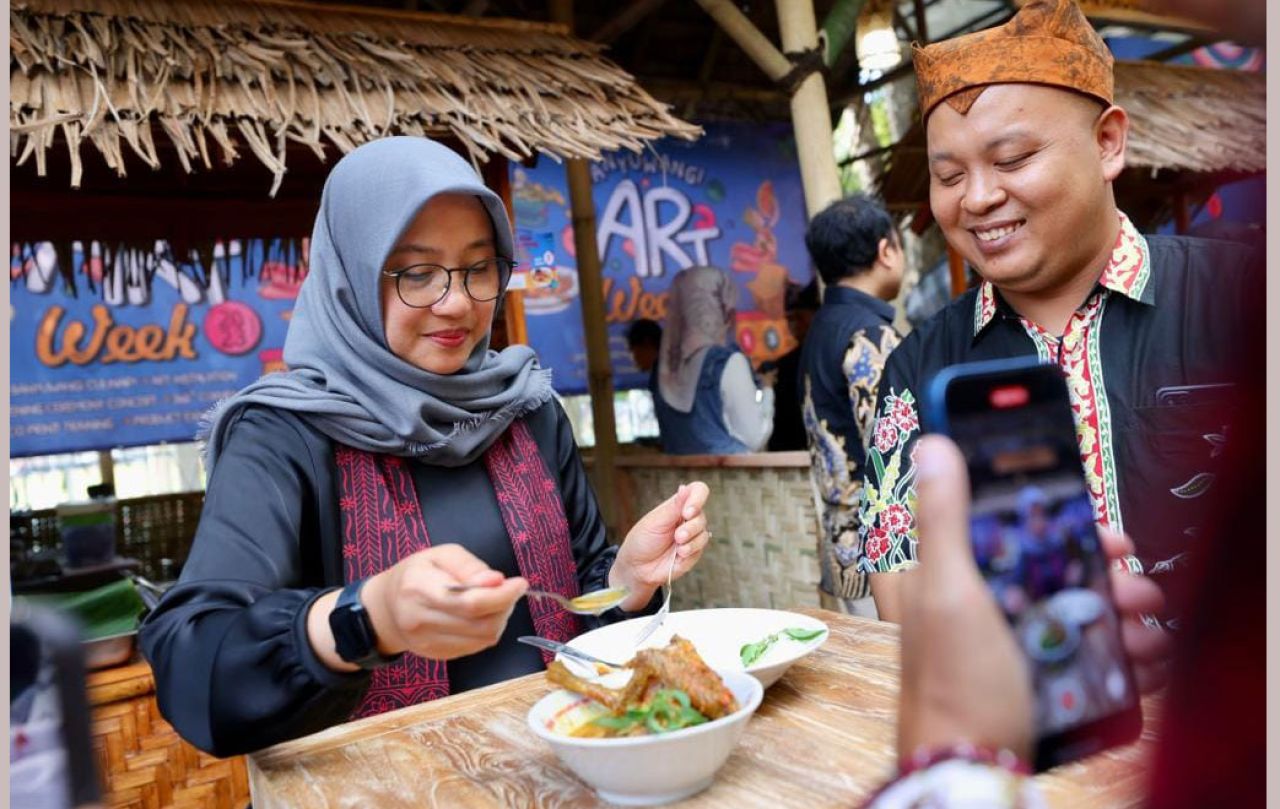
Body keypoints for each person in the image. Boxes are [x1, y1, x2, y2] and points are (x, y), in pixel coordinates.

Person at [139, 137, 713, 757]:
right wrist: (370, 616)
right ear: (352, 276)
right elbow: (195, 670)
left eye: (479, 268)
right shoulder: (284, 434)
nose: (457, 302)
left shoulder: (527, 408)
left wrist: (625, 580)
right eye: (417, 273)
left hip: (565, 768)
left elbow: (574, 613)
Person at [854, 0, 1259, 622]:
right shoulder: (918, 369)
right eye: (950, 176)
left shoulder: (1246, 298)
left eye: (1012, 159)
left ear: (1107, 143)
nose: (978, 198)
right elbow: (902, 594)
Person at [798, 194, 906, 613]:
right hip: (888, 563)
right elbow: (895, 463)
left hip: (845, 553)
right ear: (886, 250)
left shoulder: (820, 331)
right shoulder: (870, 336)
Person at [651, 265, 774, 454]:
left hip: (680, 473)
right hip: (726, 472)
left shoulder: (663, 372)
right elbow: (755, 437)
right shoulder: (726, 363)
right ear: (722, 309)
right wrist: (767, 391)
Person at [765, 280, 819, 452]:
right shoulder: (785, 365)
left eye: (800, 317)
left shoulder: (832, 355)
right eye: (790, 319)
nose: (794, 325)